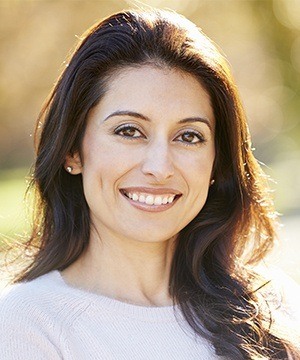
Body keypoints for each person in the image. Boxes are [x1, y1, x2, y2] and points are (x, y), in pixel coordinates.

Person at [0, 8, 299, 360]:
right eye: (129, 131)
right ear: (72, 150)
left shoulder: (271, 304)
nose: (160, 167)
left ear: (217, 161)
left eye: (189, 136)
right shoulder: (26, 326)